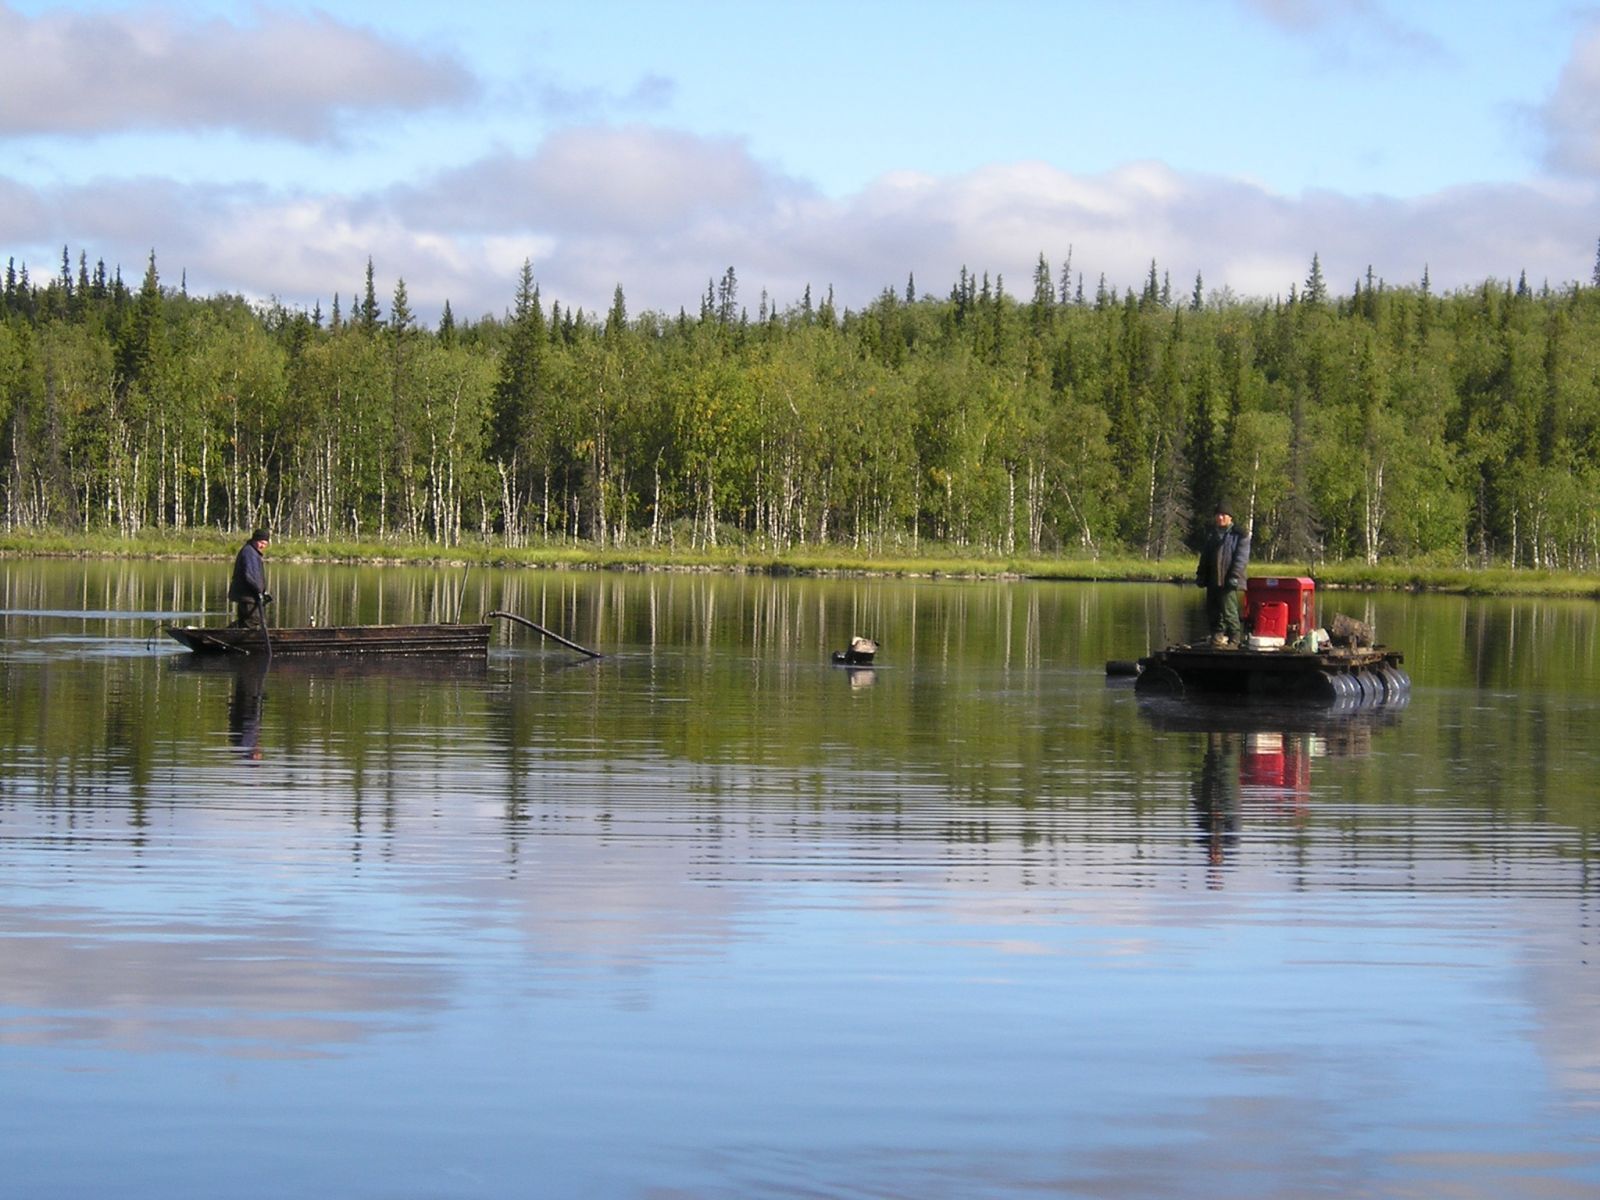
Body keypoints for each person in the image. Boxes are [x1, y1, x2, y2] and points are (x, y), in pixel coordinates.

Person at [1195, 500, 1249, 646]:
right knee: (1213, 611)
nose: (1220, 518)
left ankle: (1235, 639)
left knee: (1229, 611)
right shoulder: (1212, 535)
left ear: (1230, 517)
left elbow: (1241, 558)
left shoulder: (1239, 535)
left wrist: (1234, 576)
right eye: (1218, 515)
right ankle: (1217, 637)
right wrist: (1200, 574)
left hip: (1229, 579)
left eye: (1223, 515)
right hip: (1213, 580)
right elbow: (1205, 557)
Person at [229, 527, 272, 628]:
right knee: (254, 620)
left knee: (246, 621)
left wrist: (263, 592)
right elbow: (250, 576)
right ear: (254, 540)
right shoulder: (249, 553)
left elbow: (256, 575)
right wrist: (258, 591)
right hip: (247, 595)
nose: (263, 546)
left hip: (249, 595)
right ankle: (223, 635)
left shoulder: (252, 552)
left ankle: (229, 637)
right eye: (261, 543)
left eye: (265, 544)